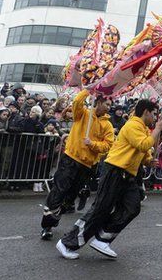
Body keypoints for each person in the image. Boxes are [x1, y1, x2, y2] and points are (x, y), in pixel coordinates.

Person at [57, 99, 162, 260]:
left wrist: (148, 161)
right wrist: (157, 130)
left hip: (128, 175)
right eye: (154, 114)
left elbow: (142, 152)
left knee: (132, 207)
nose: (155, 118)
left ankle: (103, 239)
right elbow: (142, 145)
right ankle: (67, 243)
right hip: (115, 170)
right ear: (146, 112)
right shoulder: (132, 125)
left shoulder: (143, 128)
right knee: (100, 209)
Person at [40, 90, 114, 240]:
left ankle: (61, 211)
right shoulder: (83, 114)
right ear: (98, 102)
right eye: (107, 104)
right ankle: (47, 226)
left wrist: (92, 144)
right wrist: (89, 89)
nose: (109, 107)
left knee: (69, 198)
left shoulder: (108, 125)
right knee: (58, 192)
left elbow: (107, 145)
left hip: (87, 166)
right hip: (71, 159)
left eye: (110, 105)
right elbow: (77, 102)